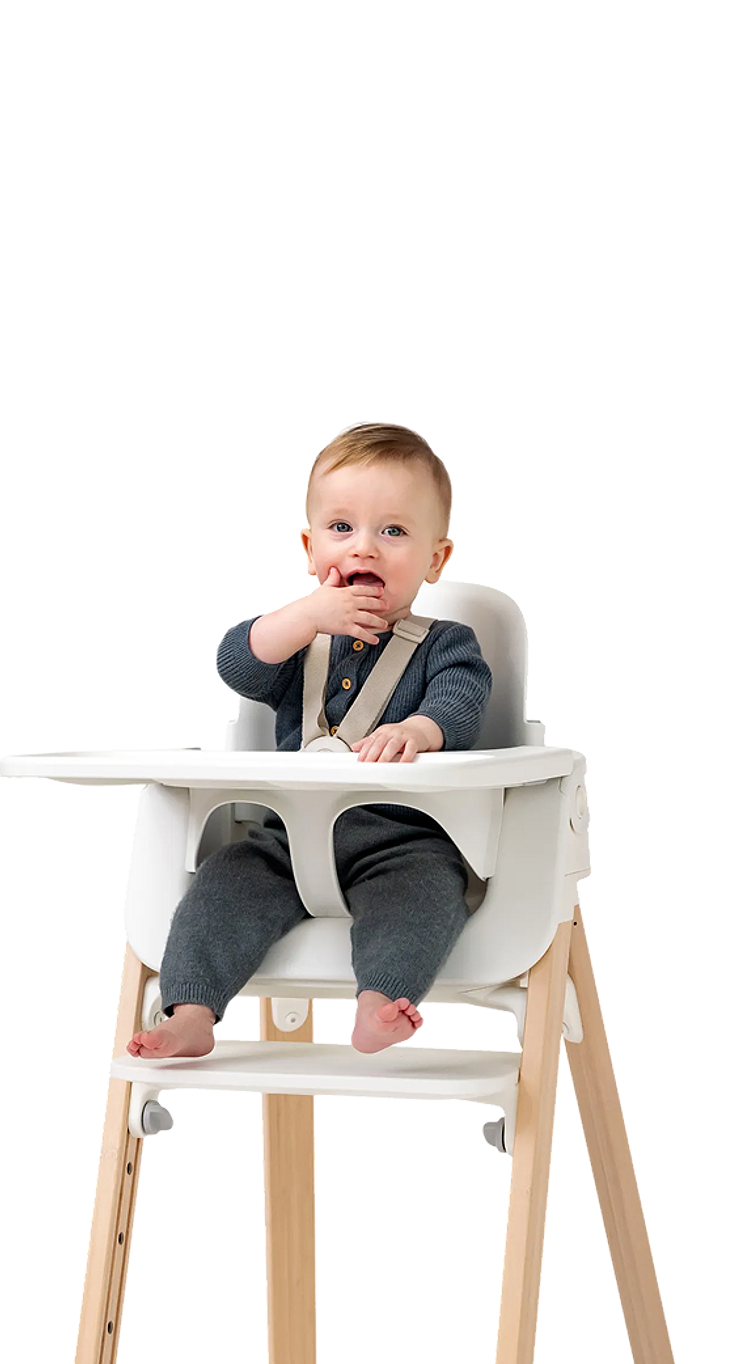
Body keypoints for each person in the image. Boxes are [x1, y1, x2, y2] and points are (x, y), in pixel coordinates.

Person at [127, 421, 492, 1060]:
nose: (365, 548)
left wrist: (418, 729)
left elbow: (461, 701)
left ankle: (380, 1002)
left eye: (394, 532)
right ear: (309, 547)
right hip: (288, 842)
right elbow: (236, 665)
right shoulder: (301, 642)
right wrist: (303, 616)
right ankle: (191, 1012)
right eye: (342, 528)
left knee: (427, 895)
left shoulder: (447, 644)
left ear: (437, 559)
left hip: (402, 840)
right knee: (223, 882)